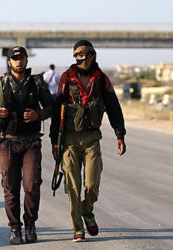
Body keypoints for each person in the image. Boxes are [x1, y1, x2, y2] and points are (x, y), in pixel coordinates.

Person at [50, 40, 126, 242]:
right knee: (73, 186)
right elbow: (57, 109)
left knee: (92, 184)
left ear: (93, 55)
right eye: (78, 55)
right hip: (70, 139)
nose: (81, 58)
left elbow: (113, 108)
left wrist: (120, 134)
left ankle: (87, 210)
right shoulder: (67, 77)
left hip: (92, 138)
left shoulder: (101, 79)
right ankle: (78, 227)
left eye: (85, 54)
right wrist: (54, 140)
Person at [0, 46, 53, 244]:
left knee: (32, 186)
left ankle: (30, 224)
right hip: (7, 143)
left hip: (31, 143)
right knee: (10, 188)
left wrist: (39, 114)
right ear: (9, 62)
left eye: (22, 58)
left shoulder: (37, 82)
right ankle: (14, 228)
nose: (19, 61)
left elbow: (51, 106)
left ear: (27, 61)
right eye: (15, 58)